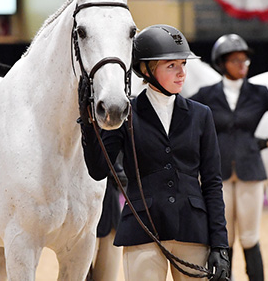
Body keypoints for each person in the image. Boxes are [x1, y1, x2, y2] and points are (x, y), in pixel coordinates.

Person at [78, 24, 230, 281]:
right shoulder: (127, 113)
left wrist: (220, 245)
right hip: (142, 231)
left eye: (183, 64)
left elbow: (212, 184)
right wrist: (89, 124)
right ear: (146, 69)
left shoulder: (201, 115)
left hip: (193, 231)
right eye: (172, 66)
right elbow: (98, 170)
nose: (182, 73)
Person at [191, 34, 268, 281]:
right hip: (217, 174)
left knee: (250, 236)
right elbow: (183, 116)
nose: (242, 65)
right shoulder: (206, 94)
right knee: (225, 237)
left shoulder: (259, 93)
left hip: (250, 172)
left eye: (245, 61)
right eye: (235, 60)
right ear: (221, 63)